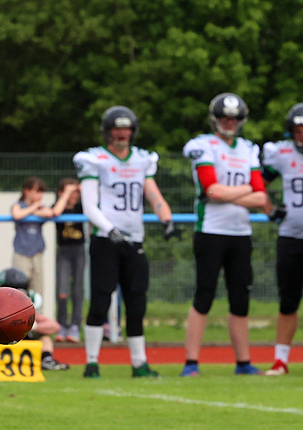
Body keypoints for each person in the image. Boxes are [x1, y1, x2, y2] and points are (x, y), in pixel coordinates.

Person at [74, 105, 179, 379]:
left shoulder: (142, 160)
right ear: (107, 132)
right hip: (106, 240)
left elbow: (152, 193)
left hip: (134, 240)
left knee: (136, 303)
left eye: (126, 129)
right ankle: (92, 362)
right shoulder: (94, 159)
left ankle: (139, 363)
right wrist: (110, 230)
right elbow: (89, 206)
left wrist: (166, 219)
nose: (122, 134)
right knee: (100, 301)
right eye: (116, 129)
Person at [181, 93, 267, 376]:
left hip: (240, 232)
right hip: (211, 230)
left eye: (234, 119)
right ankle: (191, 362)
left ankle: (243, 362)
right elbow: (212, 190)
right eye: (225, 118)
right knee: (204, 295)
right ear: (215, 119)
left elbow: (261, 197)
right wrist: (246, 190)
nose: (229, 123)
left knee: (240, 298)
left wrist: (231, 193)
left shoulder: (248, 148)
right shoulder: (203, 145)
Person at [260, 102, 303, 375]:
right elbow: (258, 183)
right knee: (288, 301)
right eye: (298, 129)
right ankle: (280, 360)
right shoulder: (282, 154)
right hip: (290, 237)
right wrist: (269, 209)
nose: (302, 134)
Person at [0, 268, 69, 371]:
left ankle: (47, 360)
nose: (12, 297)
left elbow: (54, 326)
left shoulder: (28, 301)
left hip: (16, 339)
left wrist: (31, 325)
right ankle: (7, 359)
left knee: (43, 335)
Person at [10, 176, 71, 300]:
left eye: (42, 192)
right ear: (27, 191)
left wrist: (33, 211)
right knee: (20, 290)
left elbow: (50, 213)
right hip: (21, 254)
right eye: (37, 191)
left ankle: (37, 312)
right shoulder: (19, 205)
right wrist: (33, 208)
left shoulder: (40, 207)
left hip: (37, 254)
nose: (40, 195)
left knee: (37, 292)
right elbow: (17, 214)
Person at [52, 177, 85, 343]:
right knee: (62, 290)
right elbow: (55, 212)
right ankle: (62, 325)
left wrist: (83, 188)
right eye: (70, 192)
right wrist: (66, 195)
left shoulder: (81, 207)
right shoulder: (58, 206)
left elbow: (93, 202)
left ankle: (75, 326)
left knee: (77, 290)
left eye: (76, 192)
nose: (74, 196)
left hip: (79, 251)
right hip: (64, 252)